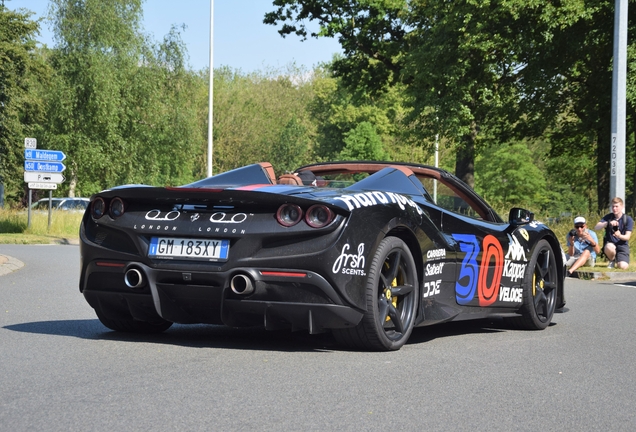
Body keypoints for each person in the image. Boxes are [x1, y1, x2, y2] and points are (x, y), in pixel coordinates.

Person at [594, 197, 634, 269]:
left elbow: (627, 237)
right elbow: (596, 227)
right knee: (609, 246)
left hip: (622, 245)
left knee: (623, 267)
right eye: (613, 206)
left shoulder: (628, 219)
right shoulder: (609, 217)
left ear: (622, 207)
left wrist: (619, 235)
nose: (614, 208)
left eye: (616, 206)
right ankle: (611, 260)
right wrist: (607, 223)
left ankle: (619, 260)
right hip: (610, 244)